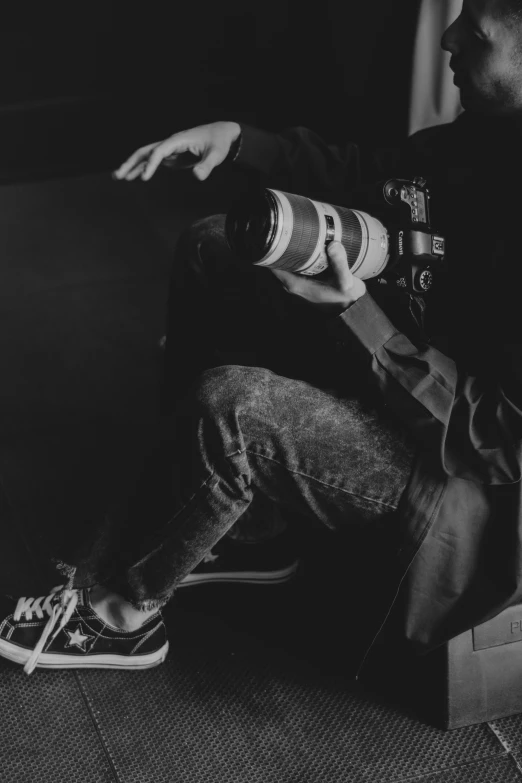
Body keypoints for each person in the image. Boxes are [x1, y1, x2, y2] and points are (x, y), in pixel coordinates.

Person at [2, 0, 522, 675]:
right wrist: (239, 140)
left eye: (475, 36)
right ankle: (236, 529)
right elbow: (378, 168)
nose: (450, 37)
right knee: (214, 245)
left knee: (236, 406)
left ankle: (126, 612)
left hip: (460, 484)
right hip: (414, 361)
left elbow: (499, 440)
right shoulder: (491, 131)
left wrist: (363, 316)